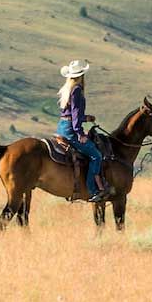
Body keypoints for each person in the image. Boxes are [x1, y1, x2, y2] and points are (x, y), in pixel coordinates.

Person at [56, 59, 107, 202]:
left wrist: (86, 118)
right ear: (81, 76)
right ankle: (92, 190)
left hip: (62, 127)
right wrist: (80, 133)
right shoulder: (77, 90)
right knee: (96, 155)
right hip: (71, 130)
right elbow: (75, 115)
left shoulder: (67, 89)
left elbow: (70, 113)